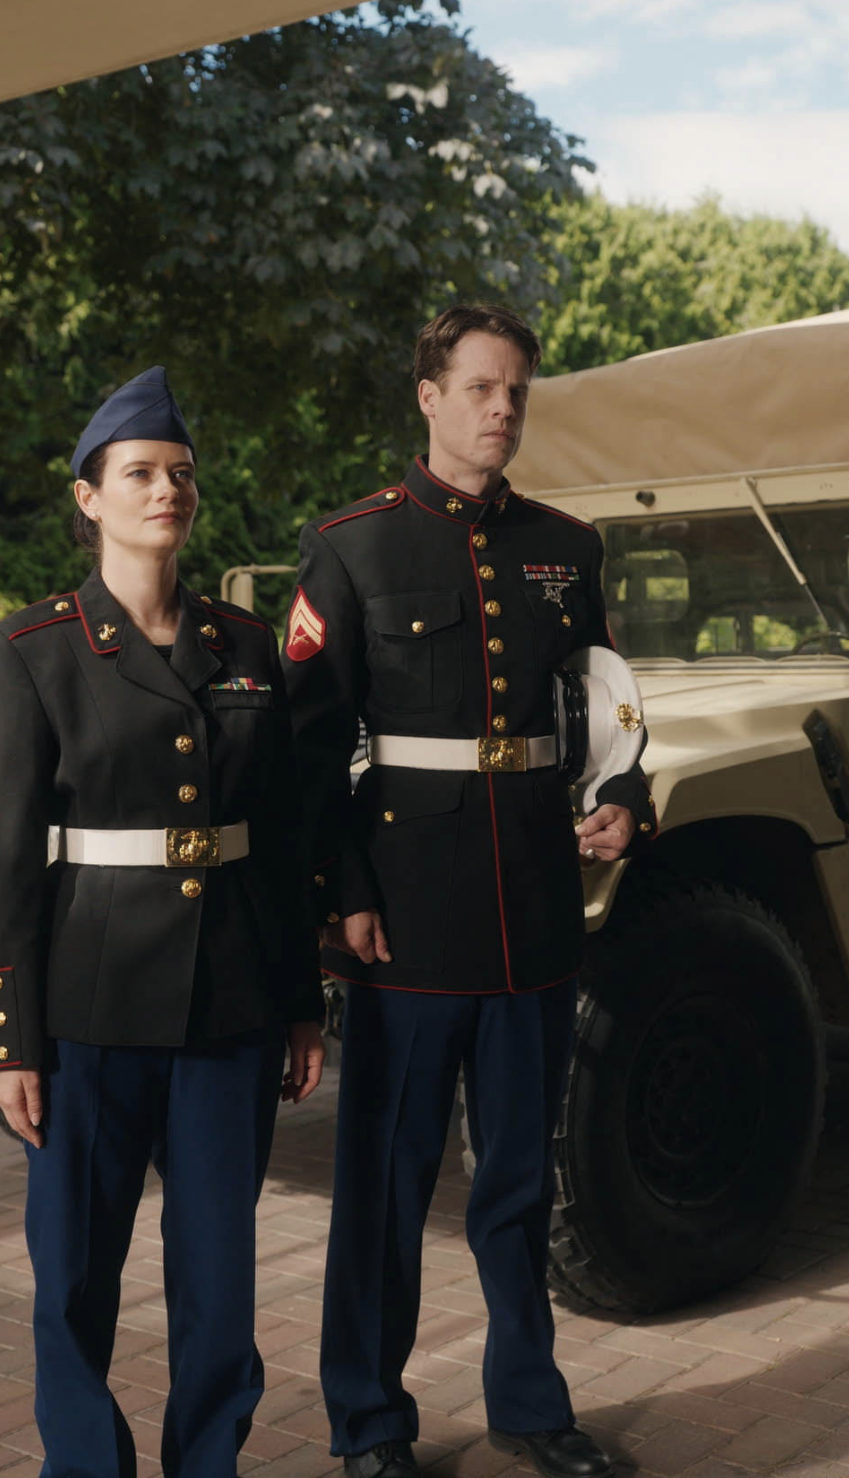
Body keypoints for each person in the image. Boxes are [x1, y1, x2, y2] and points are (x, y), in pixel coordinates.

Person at [281, 304, 657, 1478]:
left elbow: (606, 708)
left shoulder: (566, 547)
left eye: (516, 392)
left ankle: (529, 1405)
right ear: (428, 395)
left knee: (516, 1179)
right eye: (481, 388)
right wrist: (340, 889)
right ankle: (367, 1419)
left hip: (533, 906)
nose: (502, 409)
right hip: (404, 916)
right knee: (385, 1185)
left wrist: (625, 793)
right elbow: (307, 750)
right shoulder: (350, 547)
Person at [0, 366, 325, 1478]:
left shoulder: (247, 645)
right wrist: (11, 1039)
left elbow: (279, 840)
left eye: (180, 472)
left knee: (218, 1278)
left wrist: (301, 1001)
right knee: (74, 1274)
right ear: (89, 498)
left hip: (229, 1006)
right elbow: (4, 866)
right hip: (88, 1009)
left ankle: (206, 1460)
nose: (166, 489)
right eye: (139, 473)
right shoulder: (33, 650)